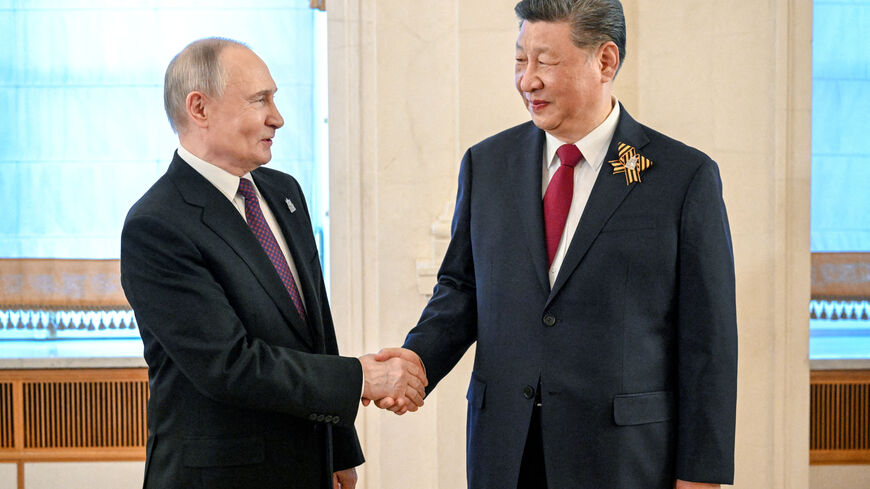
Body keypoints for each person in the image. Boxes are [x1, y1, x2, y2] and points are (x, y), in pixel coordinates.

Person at [374, 1, 737, 488]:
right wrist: (418, 359)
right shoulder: (487, 164)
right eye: (520, 60)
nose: (527, 81)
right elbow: (461, 288)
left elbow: (708, 344)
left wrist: (701, 476)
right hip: (505, 449)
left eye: (545, 62)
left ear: (605, 61)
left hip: (624, 458)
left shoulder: (681, 177)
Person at [120, 38, 426, 489]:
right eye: (259, 100)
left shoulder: (284, 193)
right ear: (199, 108)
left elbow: (315, 332)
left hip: (307, 467)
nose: (277, 118)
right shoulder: (157, 224)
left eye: (274, 98)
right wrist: (365, 376)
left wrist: (339, 450)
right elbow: (229, 365)